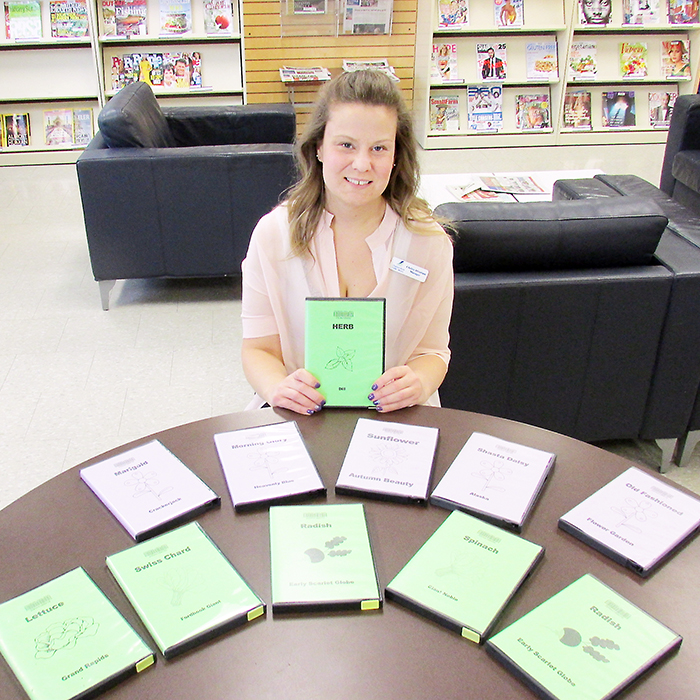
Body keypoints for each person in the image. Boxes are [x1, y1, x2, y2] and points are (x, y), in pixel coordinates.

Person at [241, 69, 454, 416]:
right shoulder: (273, 235)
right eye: (346, 145)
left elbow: (433, 353)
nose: (362, 164)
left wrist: (419, 382)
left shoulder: (428, 244)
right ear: (319, 147)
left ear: (396, 155)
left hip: (397, 418)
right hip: (300, 413)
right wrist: (277, 387)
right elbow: (258, 349)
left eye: (379, 148)